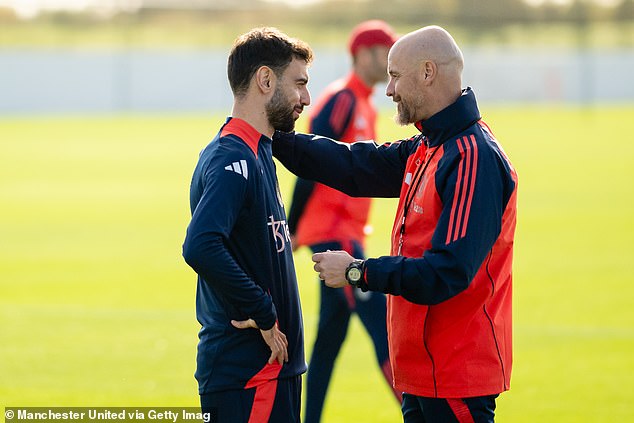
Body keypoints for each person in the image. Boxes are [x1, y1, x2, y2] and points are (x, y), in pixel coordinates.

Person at [273, 25, 517, 423]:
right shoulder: (429, 146)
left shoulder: (473, 157)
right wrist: (274, 138)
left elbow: (447, 271)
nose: (389, 90)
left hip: (455, 377)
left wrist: (357, 270)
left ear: (427, 72)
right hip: (423, 372)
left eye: (395, 75)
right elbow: (354, 165)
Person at [182, 27, 312, 422]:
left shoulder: (258, 153)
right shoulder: (231, 157)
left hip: (271, 371)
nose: (306, 98)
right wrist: (264, 311)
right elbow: (200, 245)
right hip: (251, 374)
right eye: (299, 84)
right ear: (265, 80)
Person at [285, 19, 401, 423]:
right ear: (363, 54)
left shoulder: (366, 103)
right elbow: (308, 164)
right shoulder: (340, 99)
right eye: (385, 51)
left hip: (347, 235)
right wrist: (291, 225)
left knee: (329, 341)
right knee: (384, 328)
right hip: (335, 239)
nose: (390, 60)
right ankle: (421, 414)